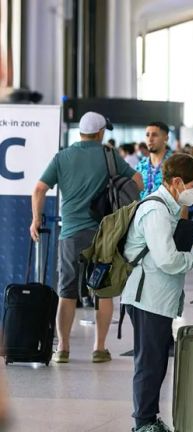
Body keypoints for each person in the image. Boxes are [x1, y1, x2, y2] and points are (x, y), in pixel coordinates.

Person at [30, 111, 144, 363]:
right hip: (104, 234)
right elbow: (138, 181)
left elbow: (39, 188)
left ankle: (63, 350)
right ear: (100, 132)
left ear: (81, 132)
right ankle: (99, 349)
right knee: (103, 291)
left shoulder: (62, 157)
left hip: (70, 233)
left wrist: (36, 219)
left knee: (67, 292)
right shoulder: (109, 155)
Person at [122, 153, 193, 432]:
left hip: (159, 299)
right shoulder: (156, 211)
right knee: (149, 363)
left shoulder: (171, 208)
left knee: (157, 361)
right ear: (176, 183)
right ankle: (142, 426)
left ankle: (149, 419)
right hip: (147, 298)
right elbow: (167, 259)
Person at [136, 122, 173, 200]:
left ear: (166, 138)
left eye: (154, 135)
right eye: (147, 135)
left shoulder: (175, 164)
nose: (150, 139)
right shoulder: (140, 166)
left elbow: (184, 202)